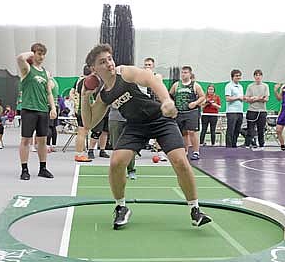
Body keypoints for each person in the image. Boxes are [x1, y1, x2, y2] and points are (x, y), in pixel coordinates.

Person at [81, 44, 212, 229]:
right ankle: (121, 207)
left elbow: (150, 79)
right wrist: (85, 95)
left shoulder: (124, 73)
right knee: (116, 162)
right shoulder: (104, 95)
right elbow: (89, 123)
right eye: (103, 62)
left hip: (160, 120)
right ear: (94, 69)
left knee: (180, 161)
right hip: (136, 127)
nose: (109, 64)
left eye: (109, 58)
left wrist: (166, 100)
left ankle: (195, 209)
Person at [16, 43, 57, 180]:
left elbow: (49, 93)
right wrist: (31, 54)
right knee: (26, 140)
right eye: (39, 53)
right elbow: (20, 57)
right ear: (33, 54)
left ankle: (43, 168)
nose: (42, 56)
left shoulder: (45, 72)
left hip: (43, 111)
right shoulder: (26, 69)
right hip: (29, 110)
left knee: (42, 141)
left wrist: (53, 108)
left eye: (43, 54)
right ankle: (24, 169)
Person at [169, 66, 205, 160]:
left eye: (185, 72)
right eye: (182, 72)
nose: (183, 74)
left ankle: (196, 152)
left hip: (191, 112)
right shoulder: (176, 85)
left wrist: (195, 103)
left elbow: (202, 97)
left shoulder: (195, 85)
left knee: (192, 132)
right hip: (179, 112)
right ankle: (185, 151)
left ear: (190, 74)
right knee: (183, 133)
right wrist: (172, 106)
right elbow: (170, 95)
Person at [244, 69, 269, 150]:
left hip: (262, 111)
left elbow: (266, 98)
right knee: (250, 129)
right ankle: (247, 145)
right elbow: (247, 99)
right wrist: (253, 99)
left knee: (261, 130)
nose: (258, 77)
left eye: (259, 75)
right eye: (256, 75)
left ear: (261, 76)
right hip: (251, 111)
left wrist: (257, 98)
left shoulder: (265, 86)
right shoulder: (250, 86)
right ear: (254, 76)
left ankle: (261, 145)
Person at [109, 107, 136, 180]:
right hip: (115, 118)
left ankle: (131, 170)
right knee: (116, 146)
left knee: (131, 145)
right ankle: (118, 170)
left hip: (132, 119)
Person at [73, 65, 93, 162]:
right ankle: (79, 154)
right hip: (83, 110)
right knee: (82, 132)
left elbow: (72, 93)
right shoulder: (87, 82)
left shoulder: (79, 80)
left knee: (82, 132)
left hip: (79, 109)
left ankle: (80, 152)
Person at [225, 69, 244, 148]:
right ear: (232, 77)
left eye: (239, 76)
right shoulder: (229, 86)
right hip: (231, 111)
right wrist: (238, 98)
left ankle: (234, 145)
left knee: (237, 130)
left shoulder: (240, 86)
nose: (238, 77)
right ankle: (229, 147)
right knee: (231, 130)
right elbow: (227, 98)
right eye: (236, 76)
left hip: (240, 111)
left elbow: (241, 98)